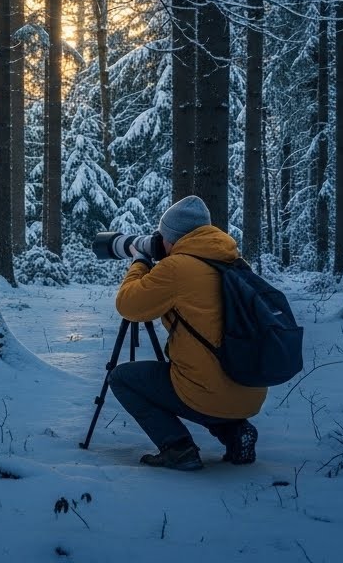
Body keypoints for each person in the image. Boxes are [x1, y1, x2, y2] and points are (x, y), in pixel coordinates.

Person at [107, 195, 265, 471]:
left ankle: (178, 447)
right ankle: (235, 433)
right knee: (203, 378)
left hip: (209, 393)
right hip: (250, 390)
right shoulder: (234, 261)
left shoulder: (177, 268)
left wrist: (139, 262)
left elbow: (128, 305)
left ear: (173, 238)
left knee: (122, 378)